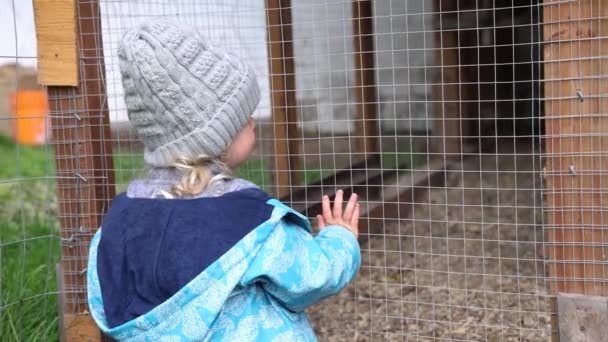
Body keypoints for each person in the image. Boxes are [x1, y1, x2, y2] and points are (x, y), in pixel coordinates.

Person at [87, 19, 361, 341]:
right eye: (242, 118)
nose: (253, 121)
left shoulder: (117, 225)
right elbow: (311, 278)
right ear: (214, 139)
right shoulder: (248, 221)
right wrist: (340, 239)